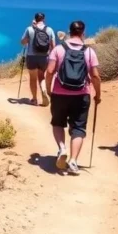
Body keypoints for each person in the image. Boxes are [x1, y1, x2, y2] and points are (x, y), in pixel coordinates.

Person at [44, 20, 101, 175]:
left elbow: (49, 72)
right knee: (78, 128)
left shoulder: (58, 49)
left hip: (59, 93)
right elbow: (95, 76)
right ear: (83, 33)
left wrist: (49, 89)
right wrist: (98, 94)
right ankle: (74, 161)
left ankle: (62, 148)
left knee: (58, 123)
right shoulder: (89, 52)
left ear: (69, 32)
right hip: (82, 94)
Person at [20, 12, 55, 106]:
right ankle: (44, 91)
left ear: (35, 19)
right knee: (41, 76)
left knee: (33, 78)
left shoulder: (29, 29)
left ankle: (34, 99)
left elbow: (23, 42)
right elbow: (53, 46)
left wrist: (29, 36)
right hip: (44, 57)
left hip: (31, 57)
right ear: (44, 19)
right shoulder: (49, 30)